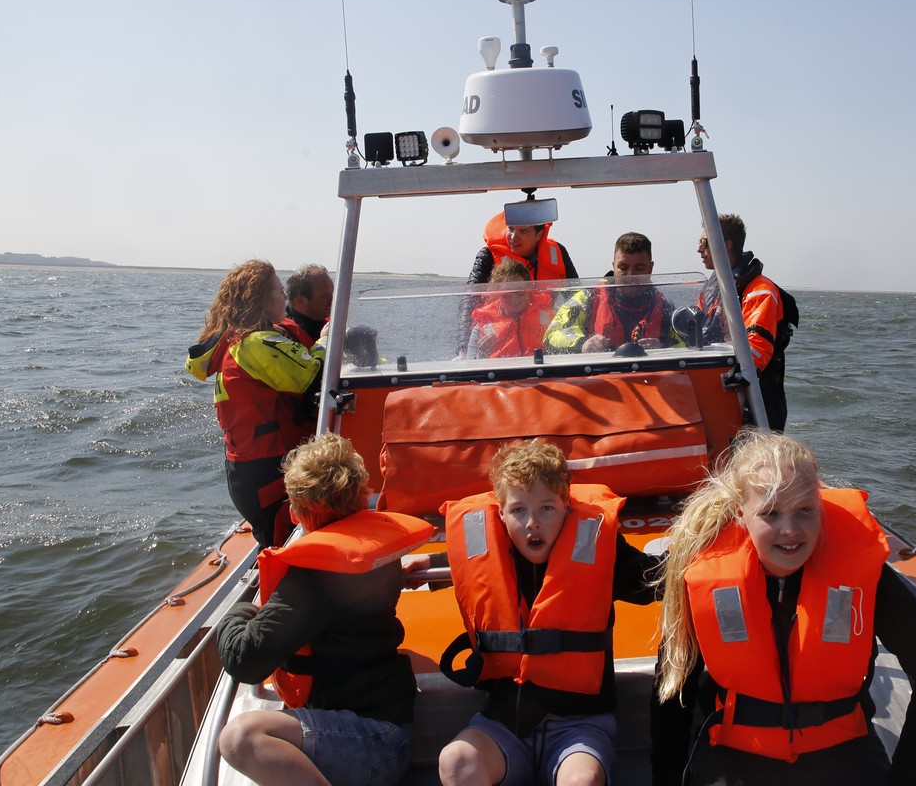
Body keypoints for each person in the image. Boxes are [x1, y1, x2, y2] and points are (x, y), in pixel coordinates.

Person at [652, 430, 916, 786]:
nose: (790, 530)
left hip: (843, 751)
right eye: (770, 513)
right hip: (735, 750)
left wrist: (907, 777)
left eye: (804, 510)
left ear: (820, 506)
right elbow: (672, 690)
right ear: (741, 512)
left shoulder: (864, 574)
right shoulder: (703, 574)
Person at [404, 440, 659, 786]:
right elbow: (473, 565)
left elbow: (655, 580)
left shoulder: (601, 549)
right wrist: (428, 562)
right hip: (504, 726)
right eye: (519, 510)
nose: (532, 523)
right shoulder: (495, 545)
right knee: (456, 762)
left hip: (578, 727)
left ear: (567, 505)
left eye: (547, 508)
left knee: (581, 782)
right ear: (501, 513)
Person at [216, 432, 433, 786]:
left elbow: (245, 660)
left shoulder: (311, 581)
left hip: (371, 744)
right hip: (388, 733)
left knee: (240, 739)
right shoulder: (377, 553)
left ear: (298, 511)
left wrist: (240, 613)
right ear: (361, 496)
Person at [186, 260, 324, 547]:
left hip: (249, 469)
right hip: (266, 472)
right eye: (279, 291)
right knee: (282, 543)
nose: (285, 298)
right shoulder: (254, 344)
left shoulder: (238, 341)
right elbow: (310, 377)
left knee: (277, 536)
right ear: (260, 299)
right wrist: (326, 342)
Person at [696, 215, 797, 431]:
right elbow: (699, 337)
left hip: (757, 403)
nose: (698, 249)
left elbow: (757, 350)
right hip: (718, 394)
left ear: (726, 245)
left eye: (703, 242)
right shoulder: (709, 290)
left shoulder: (761, 290)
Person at [456, 211, 578, 357]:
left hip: (542, 335)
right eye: (511, 229)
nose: (514, 237)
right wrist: (463, 348)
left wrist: (582, 341)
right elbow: (469, 299)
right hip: (497, 338)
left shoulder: (558, 253)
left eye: (523, 231)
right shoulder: (487, 256)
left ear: (539, 235)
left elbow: (577, 298)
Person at [544, 231, 682, 353]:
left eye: (639, 268)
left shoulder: (666, 309)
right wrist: (583, 344)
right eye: (623, 267)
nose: (630, 275)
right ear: (613, 266)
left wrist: (664, 347)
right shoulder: (587, 299)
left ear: (650, 268)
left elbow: (686, 344)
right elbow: (552, 335)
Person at [466, 259, 554, 359]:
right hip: (502, 369)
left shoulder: (547, 316)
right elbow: (470, 363)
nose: (514, 299)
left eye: (520, 293)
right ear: (498, 294)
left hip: (538, 368)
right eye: (506, 295)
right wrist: (481, 353)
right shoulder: (483, 324)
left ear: (529, 289)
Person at [283, 264, 334, 344]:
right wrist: (324, 341)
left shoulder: (333, 327)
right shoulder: (283, 336)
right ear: (300, 301)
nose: (332, 301)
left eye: (332, 295)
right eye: (325, 297)